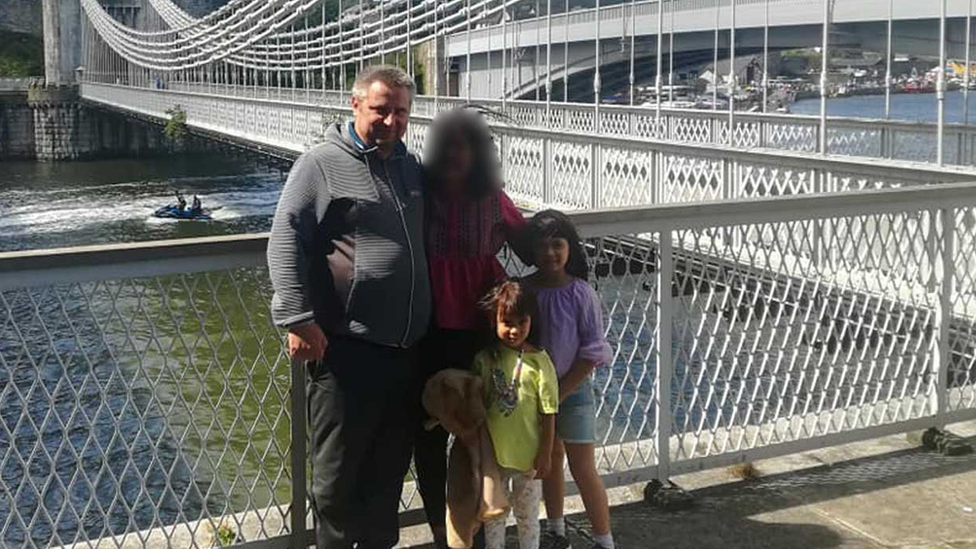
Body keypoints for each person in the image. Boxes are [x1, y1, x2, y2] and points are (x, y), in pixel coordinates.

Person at [267, 65, 430, 549]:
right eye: (381, 109)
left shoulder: (411, 167)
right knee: (336, 478)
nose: (391, 121)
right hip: (348, 349)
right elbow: (285, 239)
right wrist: (297, 317)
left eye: (401, 112)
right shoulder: (320, 163)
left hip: (406, 352)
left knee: (387, 474)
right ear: (355, 104)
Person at [417, 106, 528, 549]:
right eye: (449, 146)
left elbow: (531, 242)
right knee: (425, 433)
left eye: (466, 146)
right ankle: (441, 532)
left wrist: (565, 259)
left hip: (479, 329)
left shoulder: (493, 198)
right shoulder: (418, 195)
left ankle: (471, 532)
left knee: (472, 433)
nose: (456, 155)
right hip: (424, 327)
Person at [523, 210, 617, 549]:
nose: (550, 253)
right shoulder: (525, 289)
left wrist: (560, 392)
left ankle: (604, 538)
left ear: (570, 248)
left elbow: (593, 351)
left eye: (557, 244)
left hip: (572, 392)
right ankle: (556, 528)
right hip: (531, 395)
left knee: (583, 467)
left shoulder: (580, 293)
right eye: (542, 246)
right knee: (548, 462)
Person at [473, 280, 558, 549]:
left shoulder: (540, 361)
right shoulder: (485, 360)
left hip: (528, 457)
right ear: (493, 321)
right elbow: (477, 406)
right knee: (494, 514)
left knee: (528, 515)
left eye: (522, 322)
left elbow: (549, 412)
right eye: (507, 322)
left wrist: (545, 452)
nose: (514, 330)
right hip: (493, 456)